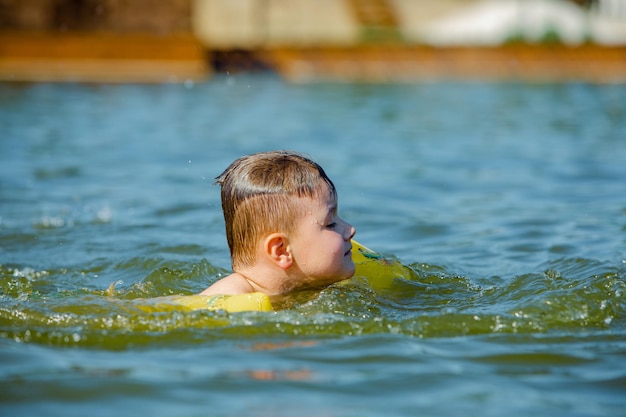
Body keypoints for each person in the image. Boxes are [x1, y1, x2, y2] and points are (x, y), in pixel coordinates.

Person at [200, 150, 356, 296]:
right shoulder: (227, 300)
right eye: (330, 224)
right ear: (281, 250)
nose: (350, 230)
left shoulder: (308, 287)